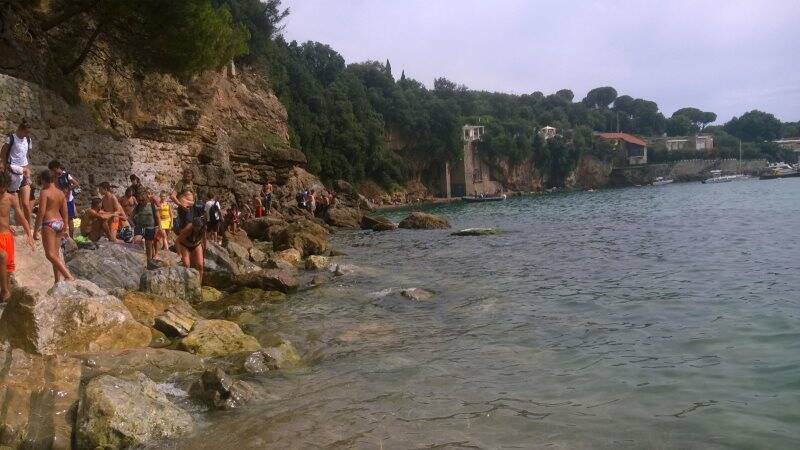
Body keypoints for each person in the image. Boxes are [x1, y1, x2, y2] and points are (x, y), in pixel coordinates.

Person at [34, 170, 74, 284]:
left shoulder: (44, 192)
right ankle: (57, 282)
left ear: (43, 180)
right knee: (55, 255)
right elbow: (65, 210)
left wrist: (35, 230)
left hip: (49, 223)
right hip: (59, 222)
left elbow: (41, 212)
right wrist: (65, 225)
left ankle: (68, 275)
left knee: (50, 254)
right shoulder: (60, 192)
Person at [0, 171, 34, 301]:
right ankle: (4, 292)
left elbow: (21, 217)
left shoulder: (11, 198)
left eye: (3, 186)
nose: (1, 189)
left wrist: (29, 234)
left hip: (7, 237)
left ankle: (5, 296)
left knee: (8, 271)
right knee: (2, 257)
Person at [1, 119, 33, 226]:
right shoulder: (11, 139)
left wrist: (28, 174)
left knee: (26, 204)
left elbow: (26, 156)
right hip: (12, 173)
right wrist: (5, 166)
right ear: (21, 129)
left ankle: (29, 228)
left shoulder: (28, 140)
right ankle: (7, 226)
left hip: (23, 173)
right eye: (26, 132)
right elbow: (3, 152)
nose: (27, 134)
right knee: (9, 202)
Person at [48, 160, 80, 238]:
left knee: (70, 219)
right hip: (59, 201)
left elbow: (76, 184)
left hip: (68, 200)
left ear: (57, 168)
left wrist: (68, 188)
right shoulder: (53, 177)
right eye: (52, 171)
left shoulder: (66, 175)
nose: (53, 172)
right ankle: (62, 237)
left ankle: (71, 238)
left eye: (54, 170)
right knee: (59, 219)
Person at [130, 187, 160, 268]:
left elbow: (157, 217)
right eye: (140, 200)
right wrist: (133, 224)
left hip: (150, 227)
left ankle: (149, 262)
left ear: (147, 197)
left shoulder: (153, 206)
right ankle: (134, 259)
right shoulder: (138, 206)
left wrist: (159, 228)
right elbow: (131, 216)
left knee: (149, 246)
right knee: (136, 240)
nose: (141, 202)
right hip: (140, 227)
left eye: (143, 200)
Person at [175, 216, 206, 282]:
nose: (197, 229)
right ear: (193, 225)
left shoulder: (203, 228)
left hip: (196, 245)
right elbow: (177, 241)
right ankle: (187, 283)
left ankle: (199, 284)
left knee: (200, 265)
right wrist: (179, 253)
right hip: (184, 245)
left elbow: (204, 239)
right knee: (186, 265)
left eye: (199, 227)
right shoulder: (188, 229)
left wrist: (204, 250)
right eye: (195, 227)